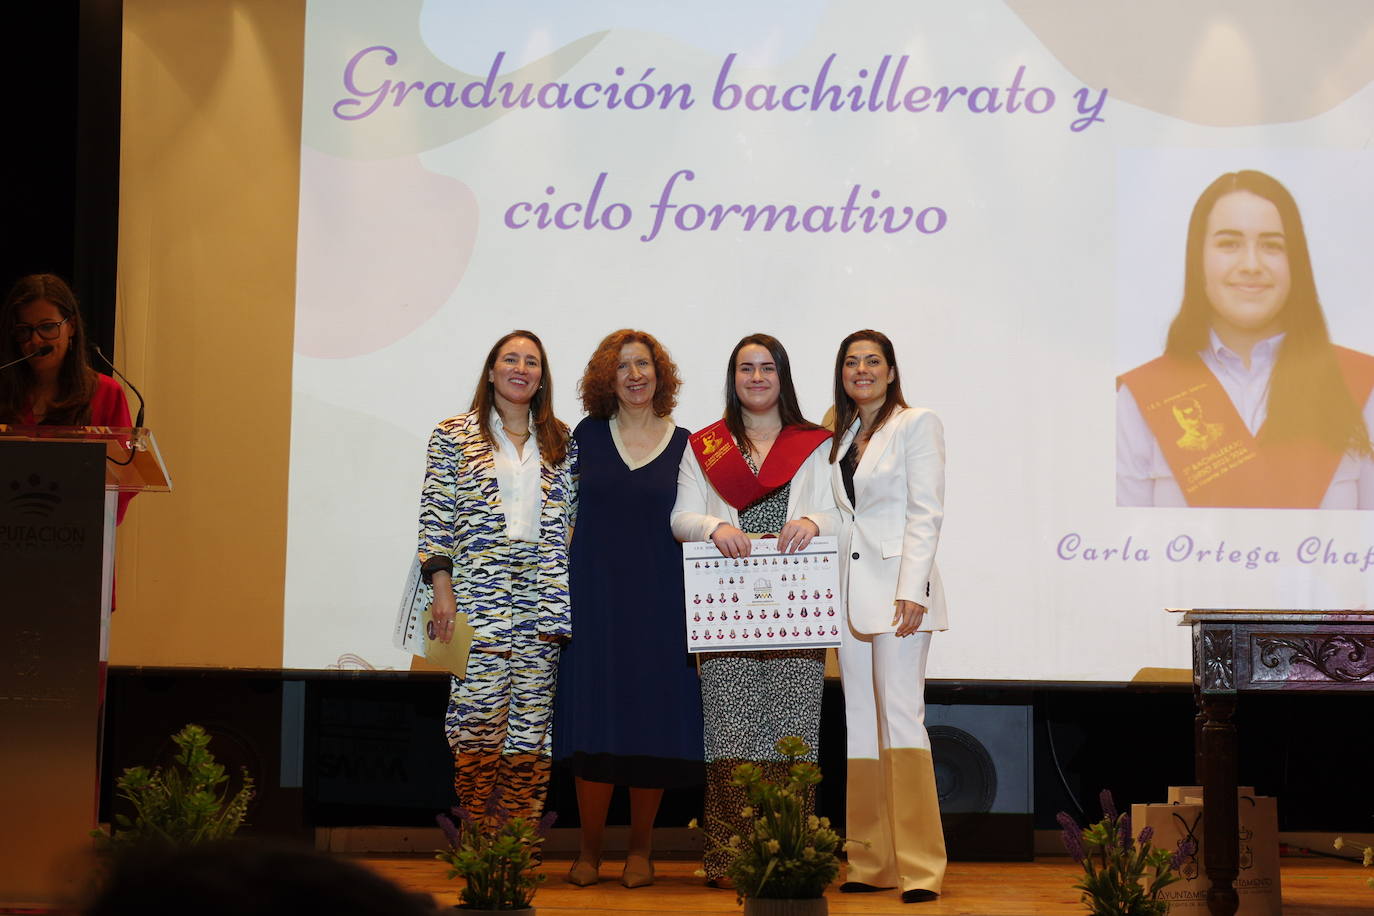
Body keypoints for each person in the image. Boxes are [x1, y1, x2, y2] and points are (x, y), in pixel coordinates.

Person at [670, 333, 834, 886]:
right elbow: (681, 518)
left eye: (768, 368)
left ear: (783, 377)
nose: (757, 378)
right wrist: (716, 526)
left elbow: (841, 512)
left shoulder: (815, 444)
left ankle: (790, 858)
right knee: (730, 738)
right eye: (746, 368)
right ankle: (729, 859)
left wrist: (814, 522)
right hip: (727, 609)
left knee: (792, 736)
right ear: (732, 377)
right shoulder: (706, 445)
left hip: (796, 608)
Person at [1117, 169, 1374, 508]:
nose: (1251, 264)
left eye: (1271, 246)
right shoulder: (1141, 399)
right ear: (1198, 259)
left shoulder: (1361, 386)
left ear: (1295, 261)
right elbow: (1125, 552)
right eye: (1229, 244)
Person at [553, 329, 703, 889]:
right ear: (605, 379)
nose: (635, 374)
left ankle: (641, 850)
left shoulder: (690, 444)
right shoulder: (582, 438)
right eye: (623, 367)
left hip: (665, 603)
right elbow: (559, 518)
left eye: (644, 364)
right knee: (595, 721)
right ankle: (589, 851)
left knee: (651, 724)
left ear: (660, 375)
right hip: (593, 601)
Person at [416, 330, 577, 829]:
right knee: (477, 725)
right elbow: (435, 517)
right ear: (491, 371)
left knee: (531, 730)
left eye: (531, 362)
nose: (521, 368)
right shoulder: (453, 434)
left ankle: (517, 842)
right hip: (477, 597)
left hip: (540, 603)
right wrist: (443, 591)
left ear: (541, 378)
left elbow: (569, 519)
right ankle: (478, 841)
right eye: (510, 359)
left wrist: (551, 580)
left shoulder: (560, 440)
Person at [813, 329, 947, 904]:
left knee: (901, 718)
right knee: (861, 723)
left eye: (873, 361)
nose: (861, 370)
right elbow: (840, 515)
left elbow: (926, 511)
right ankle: (870, 860)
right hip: (849, 594)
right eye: (851, 362)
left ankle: (920, 868)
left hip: (898, 594)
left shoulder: (917, 423)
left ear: (891, 371)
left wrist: (912, 588)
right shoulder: (841, 434)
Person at [0, 273, 134, 522]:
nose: (35, 340)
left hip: (78, 538)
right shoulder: (4, 393)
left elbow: (125, 479)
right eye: (24, 330)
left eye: (47, 327)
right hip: (9, 536)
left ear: (70, 326)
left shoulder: (105, 393)